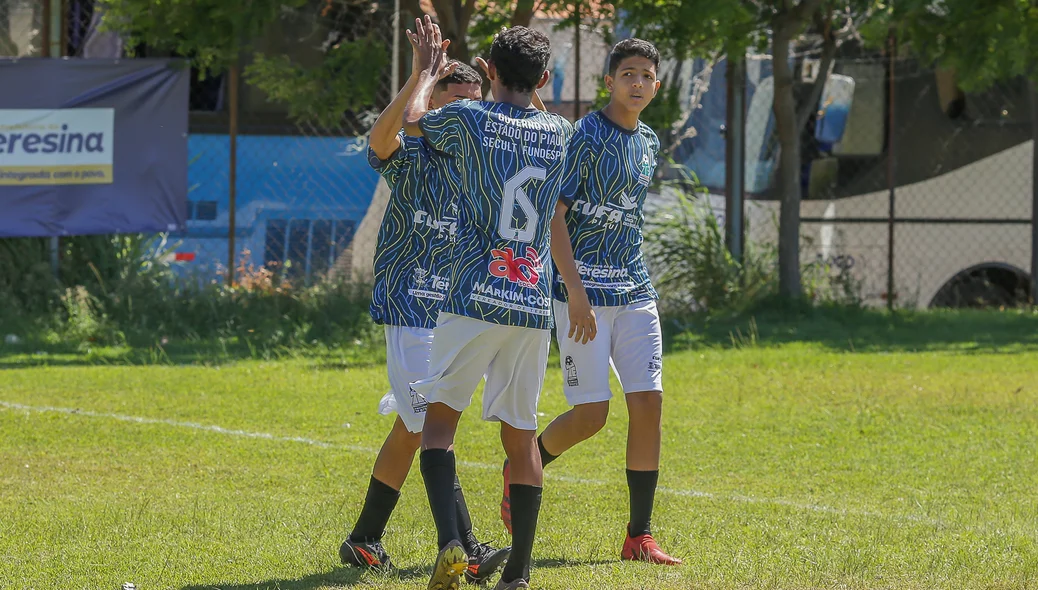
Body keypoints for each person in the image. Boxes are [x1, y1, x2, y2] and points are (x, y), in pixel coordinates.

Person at [402, 17, 573, 590]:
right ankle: (519, 574)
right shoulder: (561, 131)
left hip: (473, 292)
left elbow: (414, 124)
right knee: (521, 434)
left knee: (439, 427)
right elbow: (531, 124)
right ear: (545, 77)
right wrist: (514, 81)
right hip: (528, 300)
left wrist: (428, 72)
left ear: (489, 71)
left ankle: (453, 543)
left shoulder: (471, 118)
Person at [500, 37, 682, 567]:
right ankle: (523, 466)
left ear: (657, 84)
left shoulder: (648, 141)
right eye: (628, 74)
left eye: (647, 75)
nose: (638, 83)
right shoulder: (583, 136)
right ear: (608, 81)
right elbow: (554, 215)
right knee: (592, 414)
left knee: (649, 403)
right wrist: (574, 292)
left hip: (635, 290)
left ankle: (639, 536)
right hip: (583, 295)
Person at [338, 23, 510, 585]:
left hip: (457, 311)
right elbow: (379, 143)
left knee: (414, 429)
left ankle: (364, 540)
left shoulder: (478, 167)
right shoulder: (412, 154)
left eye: (472, 105)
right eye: (451, 102)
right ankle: (463, 546)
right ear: (429, 106)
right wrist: (420, 74)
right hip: (411, 305)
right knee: (431, 423)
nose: (464, 116)